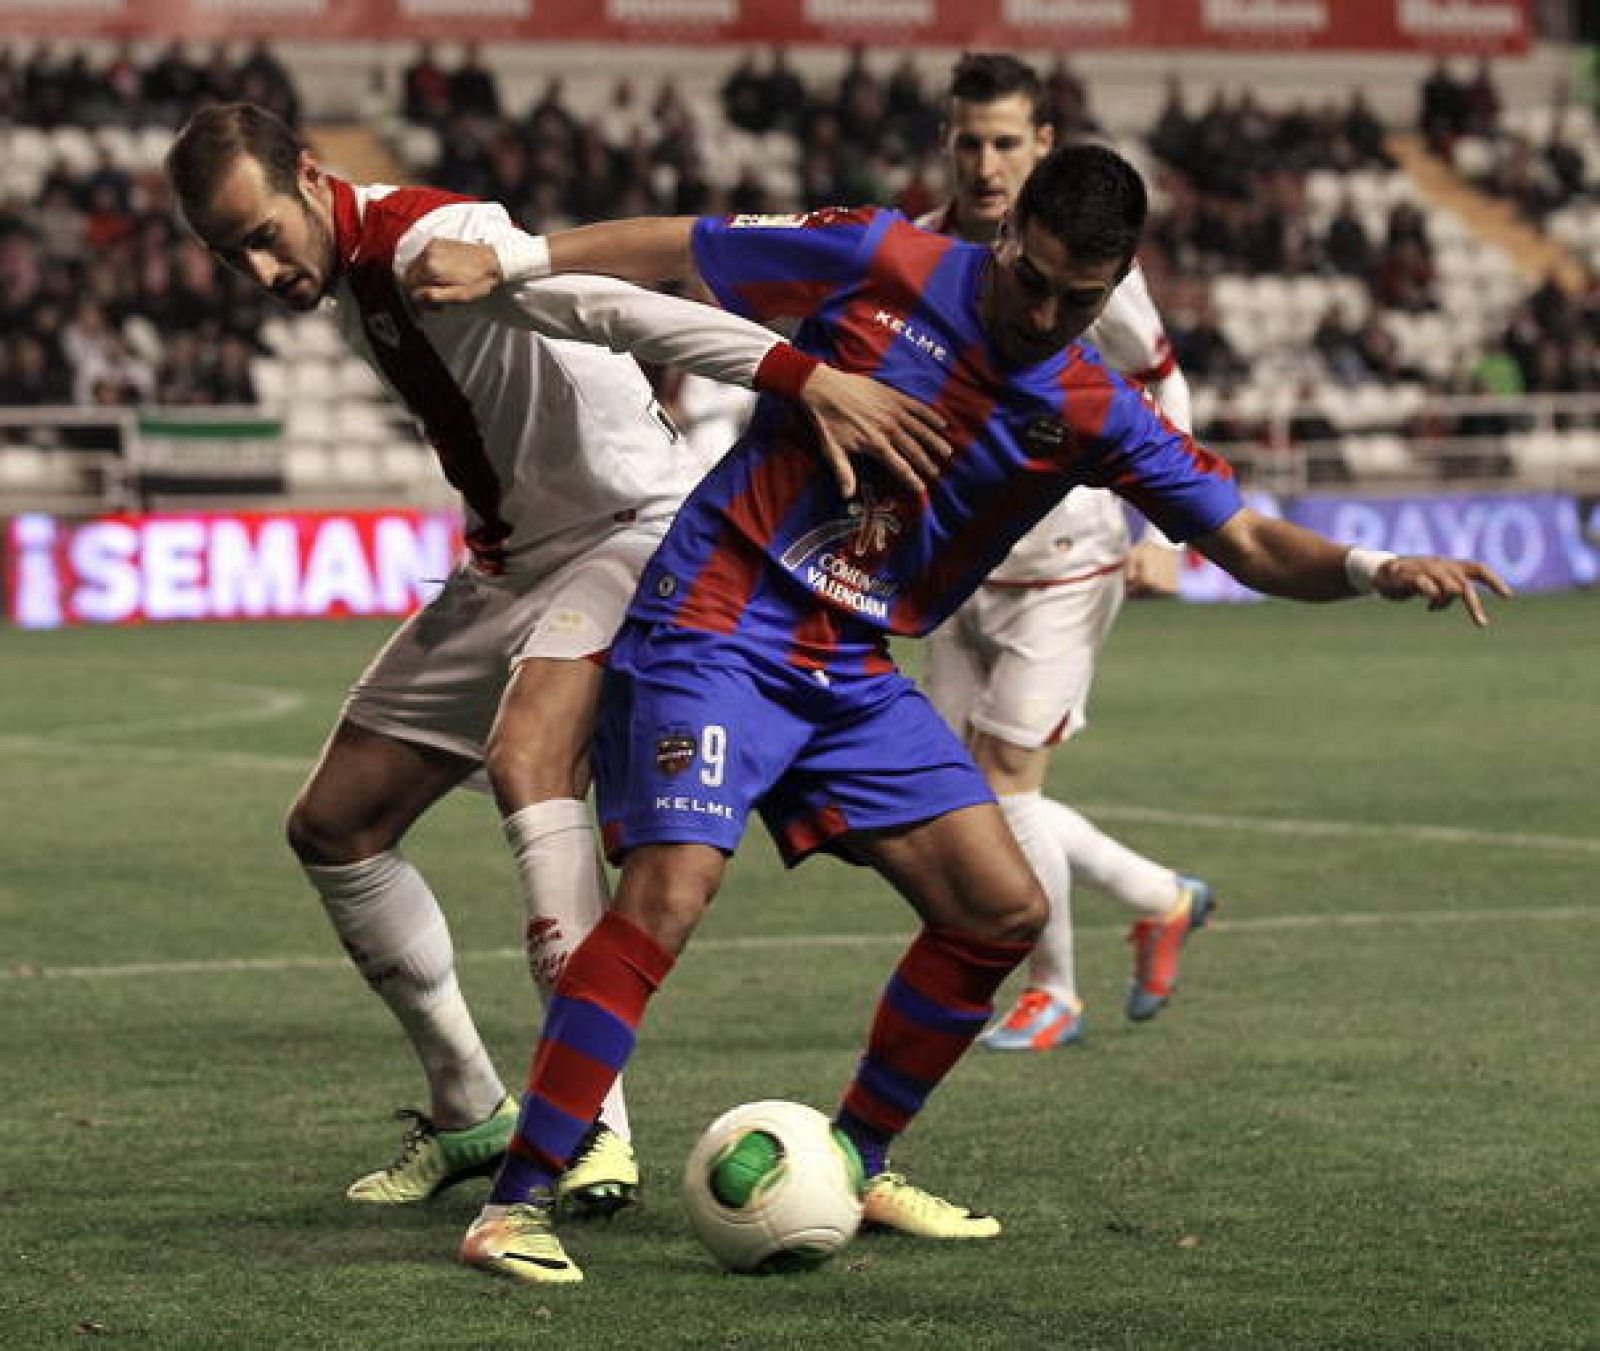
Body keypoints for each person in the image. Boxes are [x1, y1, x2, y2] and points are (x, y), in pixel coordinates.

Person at [406, 142, 1508, 1285]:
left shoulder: (1092, 407)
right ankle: (518, 1200)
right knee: (672, 892)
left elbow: (1249, 539)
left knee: (999, 910)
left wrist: (1376, 565)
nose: (1041, 311)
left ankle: (857, 1157)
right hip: (724, 613)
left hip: (847, 657)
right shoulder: (885, 257)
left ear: (1116, 278)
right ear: (1006, 231)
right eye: (1029, 278)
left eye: (1077, 298)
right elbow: (689, 244)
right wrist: (514, 260)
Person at [163, 103, 949, 1218]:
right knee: (335, 825)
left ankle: (587, 1126)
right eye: (227, 250)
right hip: (510, 564)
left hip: (630, 527)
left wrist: (800, 376)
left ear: (308, 173)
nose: (256, 266)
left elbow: (618, 308)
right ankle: (470, 1105)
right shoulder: (344, 274)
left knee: (530, 758)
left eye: (261, 232)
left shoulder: (434, 242)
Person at [918, 53, 1211, 1049]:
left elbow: (1164, 382)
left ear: (1041, 147)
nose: (985, 161)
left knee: (1002, 787)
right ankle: (1158, 894)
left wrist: (1159, 529)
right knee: (964, 797)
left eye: (1006, 141)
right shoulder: (921, 253)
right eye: (970, 141)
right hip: (955, 566)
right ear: (947, 143)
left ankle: (1054, 991)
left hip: (1065, 559)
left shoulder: (1076, 257)